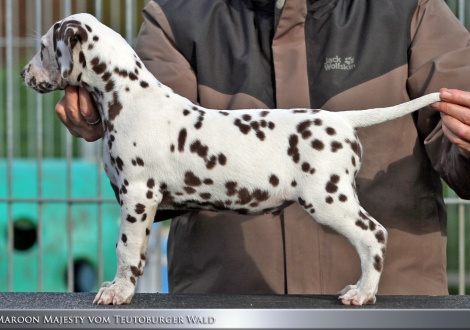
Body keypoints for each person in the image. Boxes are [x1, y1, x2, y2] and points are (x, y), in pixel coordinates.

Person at [56, 0, 470, 296]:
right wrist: (107, 122)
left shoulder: (414, 10)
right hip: (228, 307)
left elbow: (457, 149)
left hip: (395, 308)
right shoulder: (176, 17)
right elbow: (154, 176)